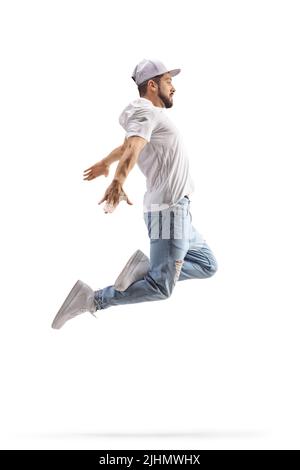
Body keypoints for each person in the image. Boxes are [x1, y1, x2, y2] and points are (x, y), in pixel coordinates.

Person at [51, 58, 218, 330]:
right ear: (152, 85)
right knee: (162, 287)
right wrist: (118, 179)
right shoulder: (145, 111)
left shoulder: (150, 116)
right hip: (168, 214)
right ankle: (92, 299)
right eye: (168, 81)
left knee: (207, 264)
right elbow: (134, 147)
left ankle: (146, 270)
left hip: (180, 212)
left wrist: (106, 161)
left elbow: (128, 144)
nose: (173, 87)